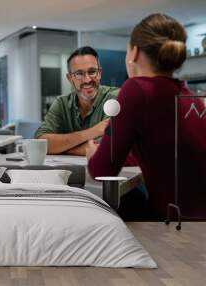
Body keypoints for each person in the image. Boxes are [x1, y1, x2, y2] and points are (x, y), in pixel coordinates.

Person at [86, 13, 206, 220]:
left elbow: (101, 170)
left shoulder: (137, 89)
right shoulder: (188, 96)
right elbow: (162, 151)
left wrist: (92, 154)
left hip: (182, 229)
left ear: (134, 52)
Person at [35, 46, 120, 156]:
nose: (87, 79)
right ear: (70, 78)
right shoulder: (62, 104)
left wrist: (62, 148)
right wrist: (91, 133)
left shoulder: (115, 99)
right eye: (79, 74)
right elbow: (40, 143)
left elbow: (108, 148)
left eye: (92, 72)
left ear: (99, 73)